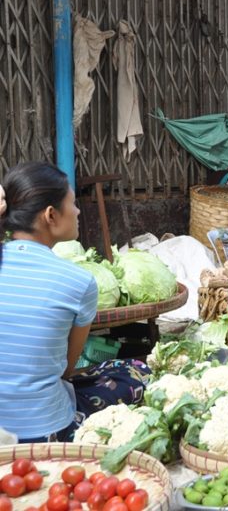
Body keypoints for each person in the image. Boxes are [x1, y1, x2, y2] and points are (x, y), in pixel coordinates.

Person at [0, 162, 149, 443]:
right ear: (51, 215)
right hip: (45, 431)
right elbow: (66, 370)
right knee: (136, 370)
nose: (79, 211)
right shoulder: (78, 281)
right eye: (73, 203)